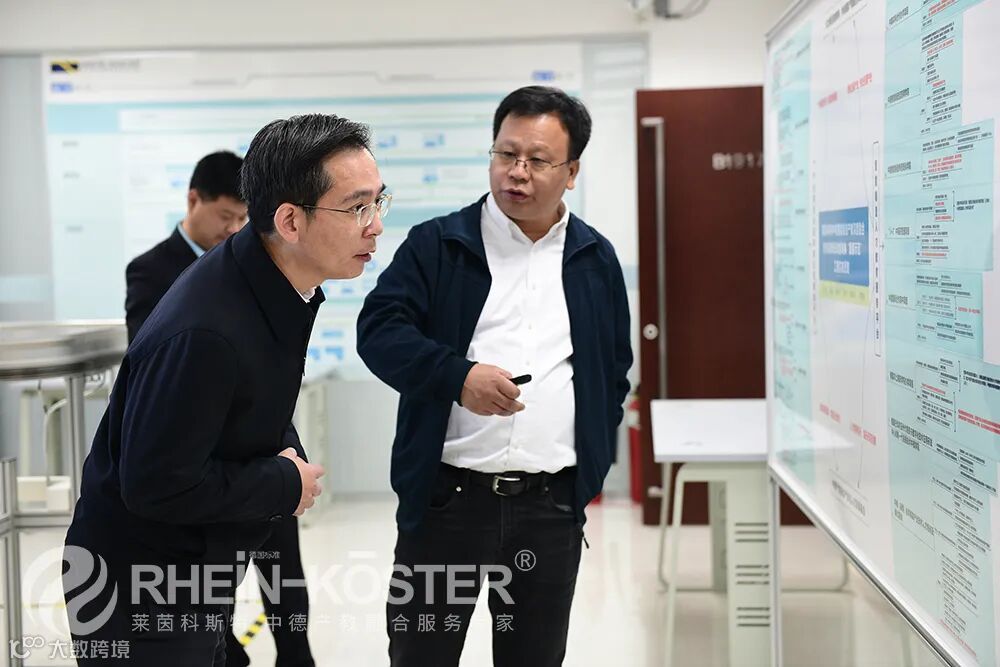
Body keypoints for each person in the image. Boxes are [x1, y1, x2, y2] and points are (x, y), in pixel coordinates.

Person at [64, 113, 386, 666]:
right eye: (357, 207)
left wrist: (287, 459)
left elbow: (258, 396)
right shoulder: (207, 331)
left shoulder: (269, 282)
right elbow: (156, 485)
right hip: (140, 591)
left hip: (191, 570)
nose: (375, 225)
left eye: (378, 202)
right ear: (290, 221)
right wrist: (283, 482)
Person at [357, 86, 632, 667]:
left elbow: (613, 372)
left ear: (572, 171)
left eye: (537, 159)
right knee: (421, 656)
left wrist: (586, 475)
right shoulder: (439, 244)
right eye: (506, 154)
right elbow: (379, 331)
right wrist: (458, 377)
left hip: (550, 509)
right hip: (447, 505)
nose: (517, 172)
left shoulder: (594, 258)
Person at [123, 150, 315, 667]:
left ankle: (296, 654)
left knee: (283, 566)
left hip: (262, 447)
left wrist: (286, 453)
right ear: (194, 200)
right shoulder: (154, 272)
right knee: (209, 582)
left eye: (241, 218)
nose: (232, 228)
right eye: (225, 216)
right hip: (202, 458)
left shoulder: (253, 269)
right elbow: (160, 367)